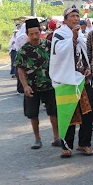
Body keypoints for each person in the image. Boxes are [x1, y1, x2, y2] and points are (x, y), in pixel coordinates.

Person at [50, 7, 93, 158]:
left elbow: (83, 54)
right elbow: (60, 53)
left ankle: (84, 144)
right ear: (65, 20)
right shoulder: (59, 34)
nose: (76, 18)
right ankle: (66, 146)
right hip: (66, 80)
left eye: (77, 16)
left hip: (81, 80)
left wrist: (88, 68)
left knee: (87, 113)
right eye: (73, 16)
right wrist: (73, 38)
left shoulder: (80, 34)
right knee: (68, 114)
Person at [15, 18, 60, 149]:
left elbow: (58, 62)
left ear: (40, 31)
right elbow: (20, 70)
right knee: (33, 114)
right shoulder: (24, 50)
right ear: (27, 34)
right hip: (32, 87)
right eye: (31, 34)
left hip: (49, 85)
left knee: (53, 112)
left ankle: (56, 137)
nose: (34, 36)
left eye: (36, 33)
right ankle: (37, 139)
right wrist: (25, 86)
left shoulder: (48, 45)